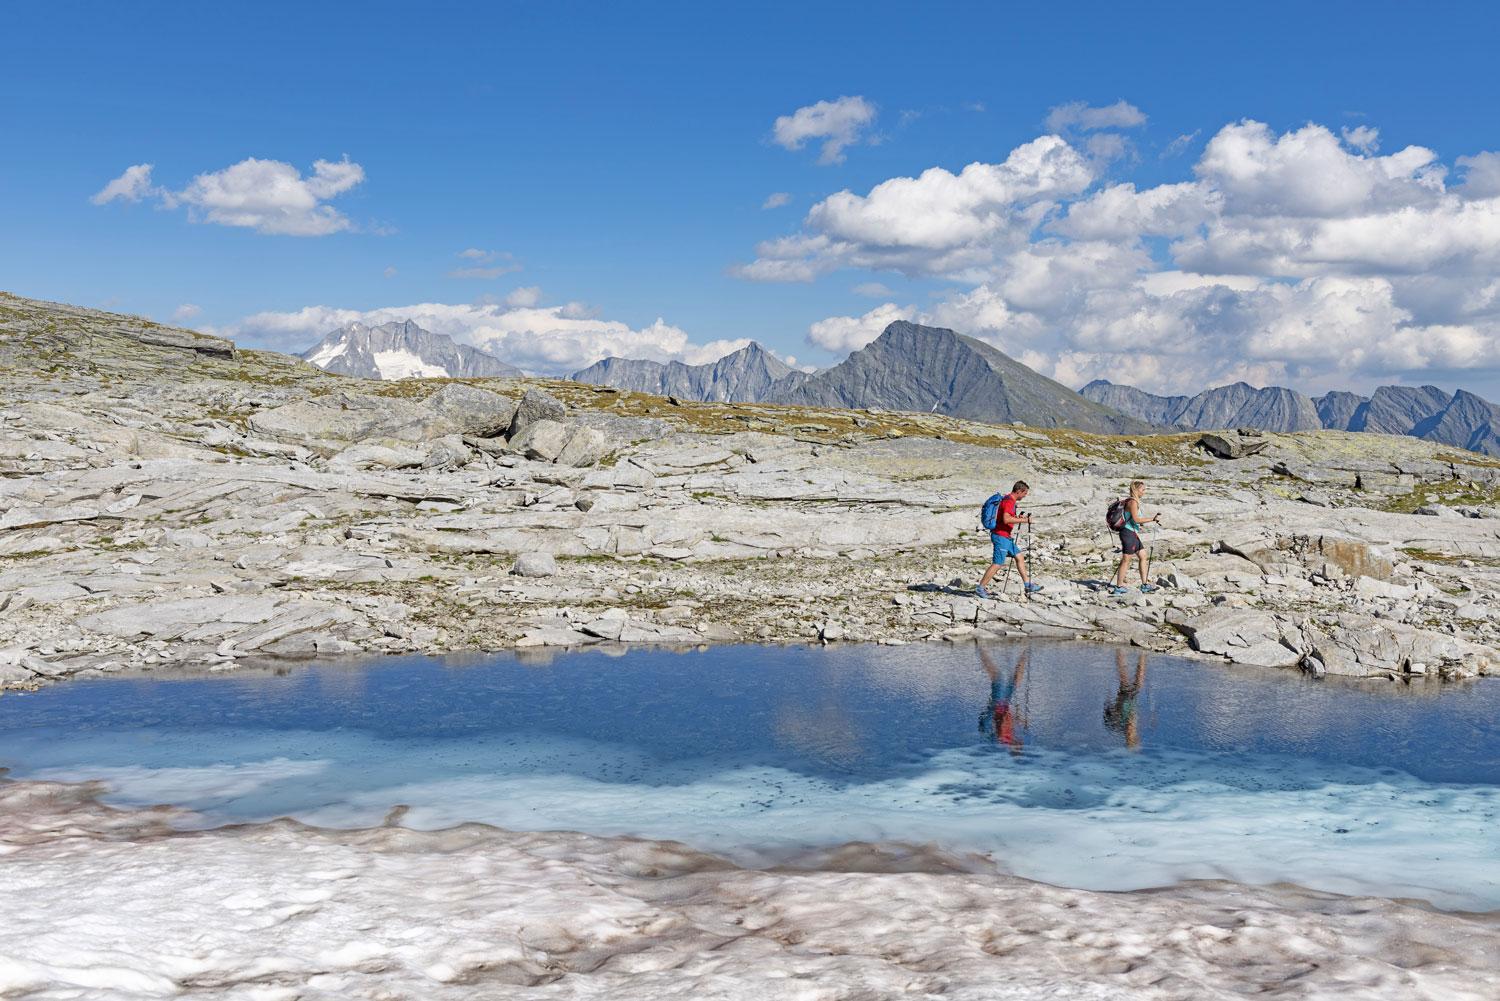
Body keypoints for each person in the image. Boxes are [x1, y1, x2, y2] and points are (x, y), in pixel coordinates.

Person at [976, 480, 1043, 599]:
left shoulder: (1008, 500)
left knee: (1019, 556)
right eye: (1025, 493)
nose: (1025, 495)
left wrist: (1017, 517)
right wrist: (1025, 520)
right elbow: (1006, 519)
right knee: (997, 563)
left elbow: (1006, 518)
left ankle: (1028, 585)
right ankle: (980, 588)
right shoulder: (1009, 502)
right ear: (1019, 491)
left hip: (1006, 537)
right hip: (1000, 536)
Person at [1110, 480, 1160, 595]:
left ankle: (1144, 585)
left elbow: (1135, 520)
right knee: (1126, 560)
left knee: (1143, 556)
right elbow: (1136, 519)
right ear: (1137, 490)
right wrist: (1152, 519)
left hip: (1132, 533)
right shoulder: (1132, 502)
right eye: (1143, 490)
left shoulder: (1133, 501)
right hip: (1127, 533)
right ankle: (1118, 586)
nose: (1144, 492)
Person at [978, 645, 1029, 753]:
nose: (1021, 742)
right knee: (1014, 681)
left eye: (1019, 745)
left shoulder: (1003, 738)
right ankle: (1025, 652)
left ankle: (980, 649)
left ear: (1015, 746)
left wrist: (1016, 718)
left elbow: (1001, 720)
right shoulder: (1008, 739)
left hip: (998, 704)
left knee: (998, 678)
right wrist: (1019, 720)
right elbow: (1007, 721)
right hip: (1003, 704)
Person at [1102, 649, 1147, 750]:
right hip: (1130, 700)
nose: (1131, 733)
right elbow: (1132, 715)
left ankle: (1121, 652)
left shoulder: (1120, 727)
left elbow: (1110, 717)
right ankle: (1140, 655)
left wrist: (1110, 705)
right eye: (1132, 736)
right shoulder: (1127, 728)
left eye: (1130, 736)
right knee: (1133, 679)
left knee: (1126, 678)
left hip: (1125, 700)